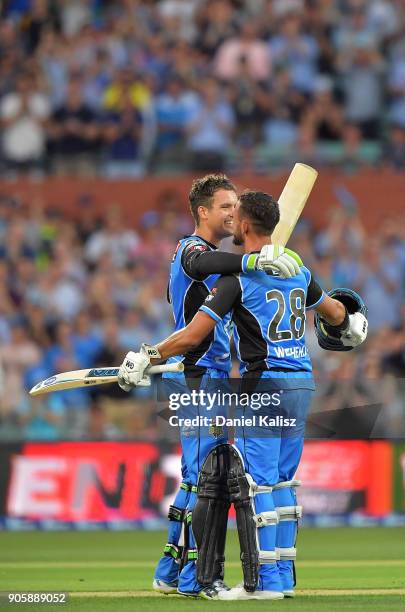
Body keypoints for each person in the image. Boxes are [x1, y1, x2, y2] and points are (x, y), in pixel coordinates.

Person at [118, 190, 368, 600]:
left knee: (248, 483)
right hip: (280, 381)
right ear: (202, 211)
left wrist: (149, 354)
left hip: (251, 381)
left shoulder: (239, 278)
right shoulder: (290, 269)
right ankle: (261, 577)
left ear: (248, 226)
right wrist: (353, 321)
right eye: (224, 207)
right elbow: (338, 315)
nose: (232, 215)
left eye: (237, 209)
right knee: (260, 481)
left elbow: (197, 331)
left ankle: (240, 580)